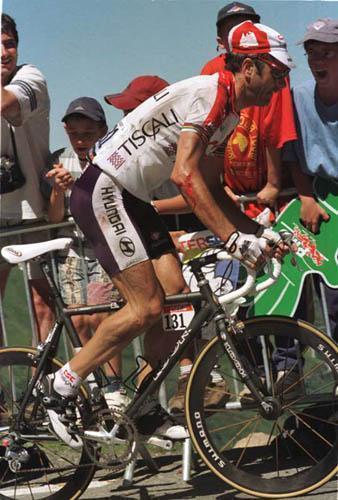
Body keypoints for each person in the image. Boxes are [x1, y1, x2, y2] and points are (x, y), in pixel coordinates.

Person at [41, 20, 292, 445]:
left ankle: (143, 407)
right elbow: (185, 176)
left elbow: (213, 187)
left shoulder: (231, 110)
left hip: (130, 196)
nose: (281, 85)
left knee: (176, 297)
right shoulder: (211, 95)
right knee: (146, 306)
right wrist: (233, 239)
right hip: (105, 189)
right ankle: (62, 383)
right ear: (250, 68)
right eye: (278, 74)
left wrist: (258, 231)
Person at [44, 97, 129, 409]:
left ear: (102, 131)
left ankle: (114, 389)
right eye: (74, 133)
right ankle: (87, 386)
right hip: (72, 253)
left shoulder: (112, 158)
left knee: (104, 317)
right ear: (65, 131)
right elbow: (52, 219)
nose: (80, 140)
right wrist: (56, 191)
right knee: (78, 320)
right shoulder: (58, 160)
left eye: (88, 133)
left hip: (104, 249)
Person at [200, 2, 297, 221]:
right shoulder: (209, 72)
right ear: (220, 42)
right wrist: (218, 184)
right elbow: (208, 137)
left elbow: (276, 127)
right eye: (232, 29)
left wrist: (273, 184)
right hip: (233, 191)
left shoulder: (272, 69)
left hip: (266, 192)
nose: (242, 34)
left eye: (247, 26)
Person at [283, 18, 338, 341]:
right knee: (332, 297)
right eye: (311, 53)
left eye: (326, 53)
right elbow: (292, 156)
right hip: (321, 201)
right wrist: (305, 197)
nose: (317, 60)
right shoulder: (298, 97)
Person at [0, 13, 53, 344]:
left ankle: (45, 388)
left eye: (10, 44)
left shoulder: (31, 76)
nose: (5, 52)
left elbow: (5, 101)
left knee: (43, 304)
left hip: (35, 211)